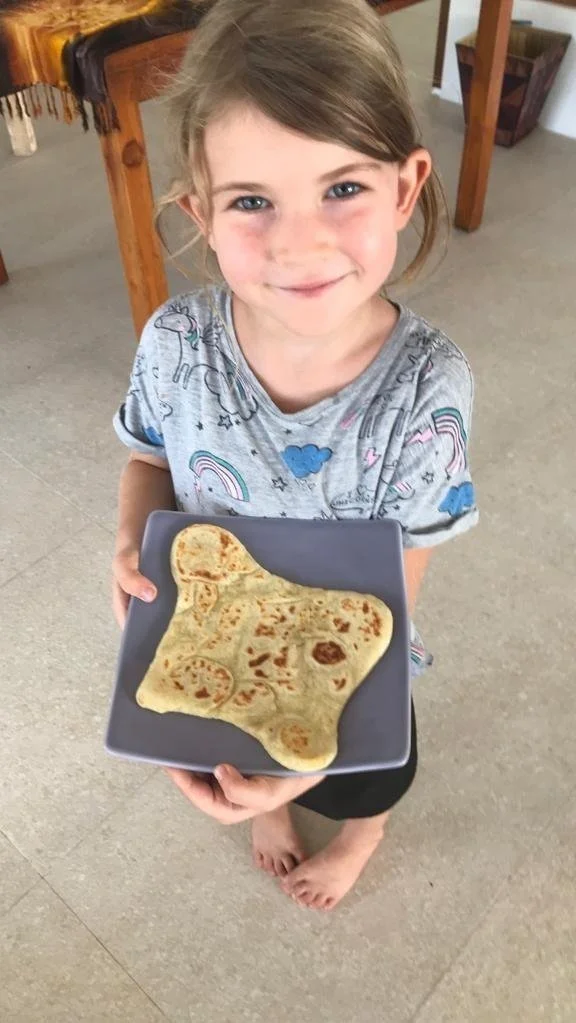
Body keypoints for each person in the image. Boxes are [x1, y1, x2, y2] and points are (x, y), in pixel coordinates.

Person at [111, 0, 478, 911]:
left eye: (342, 188)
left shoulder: (428, 390)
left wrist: (320, 753)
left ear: (405, 188)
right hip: (221, 634)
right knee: (237, 752)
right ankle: (271, 809)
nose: (300, 242)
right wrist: (129, 539)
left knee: (367, 775)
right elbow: (149, 459)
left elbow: (399, 577)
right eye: (251, 201)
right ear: (200, 211)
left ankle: (362, 835)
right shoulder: (174, 346)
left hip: (355, 652)